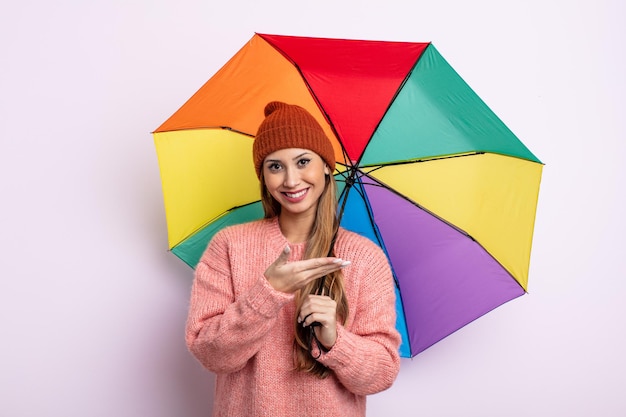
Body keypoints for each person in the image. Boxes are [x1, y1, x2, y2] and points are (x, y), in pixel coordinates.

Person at [185, 101, 401, 417]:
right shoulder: (229, 245)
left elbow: (381, 374)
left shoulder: (365, 257)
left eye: (303, 161)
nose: (290, 180)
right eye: (275, 166)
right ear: (263, 176)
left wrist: (334, 339)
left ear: (326, 165)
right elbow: (210, 355)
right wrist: (267, 294)